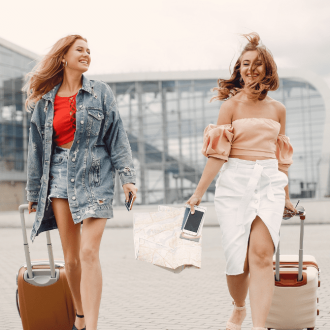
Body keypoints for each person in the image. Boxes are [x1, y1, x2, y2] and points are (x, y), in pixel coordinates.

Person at [24, 35, 138, 330]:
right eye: (80, 50)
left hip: (97, 176)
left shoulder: (100, 92)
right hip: (59, 177)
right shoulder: (45, 102)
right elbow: (36, 149)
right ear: (64, 57)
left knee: (89, 253)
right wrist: (34, 192)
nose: (87, 54)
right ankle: (80, 315)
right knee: (72, 260)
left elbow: (117, 136)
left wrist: (127, 178)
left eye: (89, 50)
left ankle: (93, 326)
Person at [186, 32, 296, 330]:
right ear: (239, 69)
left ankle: (259, 327)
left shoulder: (278, 110)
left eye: (257, 63)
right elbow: (218, 155)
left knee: (262, 255)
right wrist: (198, 193)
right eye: (245, 63)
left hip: (269, 183)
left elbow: (281, 158)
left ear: (267, 69)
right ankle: (238, 306)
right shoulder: (230, 107)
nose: (251, 69)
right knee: (238, 262)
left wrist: (285, 196)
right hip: (234, 184)